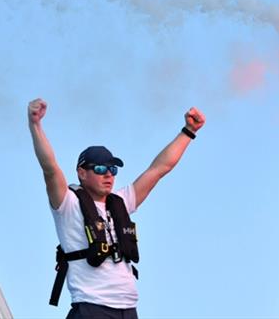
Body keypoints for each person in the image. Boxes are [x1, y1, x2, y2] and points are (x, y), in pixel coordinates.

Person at [28, 98, 205, 319]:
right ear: (82, 173)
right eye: (100, 168)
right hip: (92, 308)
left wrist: (188, 131)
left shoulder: (121, 202)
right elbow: (50, 168)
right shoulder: (68, 204)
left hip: (128, 309)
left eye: (112, 169)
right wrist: (35, 125)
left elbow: (159, 169)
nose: (108, 175)